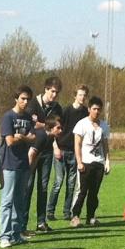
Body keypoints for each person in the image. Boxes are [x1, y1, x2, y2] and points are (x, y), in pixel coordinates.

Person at [0, 86, 39, 249]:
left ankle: (16, 233)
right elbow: (9, 141)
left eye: (28, 99)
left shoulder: (28, 117)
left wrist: (21, 137)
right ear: (16, 99)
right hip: (9, 164)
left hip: (23, 163)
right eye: (22, 98)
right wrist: (23, 137)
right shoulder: (8, 117)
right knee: (7, 201)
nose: (25, 101)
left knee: (19, 201)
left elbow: (33, 137)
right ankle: (4, 236)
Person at [28, 76, 64, 232]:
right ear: (46, 89)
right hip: (32, 150)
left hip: (47, 151)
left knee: (43, 187)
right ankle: (22, 224)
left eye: (57, 92)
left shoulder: (57, 108)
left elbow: (57, 130)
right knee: (27, 187)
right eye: (52, 91)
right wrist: (47, 126)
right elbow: (31, 124)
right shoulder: (32, 104)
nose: (54, 95)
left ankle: (41, 222)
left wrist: (56, 146)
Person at [51, 83, 89, 227]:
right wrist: (55, 146)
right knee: (58, 182)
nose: (82, 97)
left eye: (84, 95)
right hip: (62, 150)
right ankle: (50, 211)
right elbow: (55, 129)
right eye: (80, 95)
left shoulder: (85, 112)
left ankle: (67, 211)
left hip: (75, 153)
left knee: (71, 184)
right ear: (75, 96)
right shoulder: (66, 110)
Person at [70, 96, 111, 226]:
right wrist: (79, 161)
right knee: (82, 191)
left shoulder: (104, 126)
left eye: (99, 109)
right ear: (89, 109)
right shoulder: (81, 124)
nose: (96, 112)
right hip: (85, 163)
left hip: (98, 163)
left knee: (94, 193)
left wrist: (107, 161)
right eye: (94, 109)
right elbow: (77, 144)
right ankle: (75, 216)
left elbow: (105, 144)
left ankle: (91, 217)